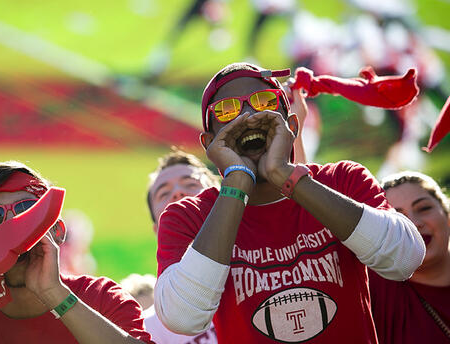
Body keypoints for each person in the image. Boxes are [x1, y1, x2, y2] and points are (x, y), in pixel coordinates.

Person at [154, 62, 425, 343]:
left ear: (292, 125)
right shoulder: (188, 217)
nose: (248, 116)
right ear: (209, 143)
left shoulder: (343, 180)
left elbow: (404, 259)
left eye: (264, 102)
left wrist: (285, 176)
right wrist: (237, 183)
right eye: (227, 110)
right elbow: (182, 317)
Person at [0, 161, 153, 343]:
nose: (11, 230)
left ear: (58, 231)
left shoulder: (104, 299)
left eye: (26, 212)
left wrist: (54, 293)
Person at [141, 149, 220, 344]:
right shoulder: (150, 330)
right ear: (156, 229)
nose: (178, 192)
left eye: (191, 184)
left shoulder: (265, 266)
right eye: (164, 193)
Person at [369, 171, 450, 343]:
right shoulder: (375, 290)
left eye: (424, 208)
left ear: (447, 216)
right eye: (398, 218)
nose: (414, 223)